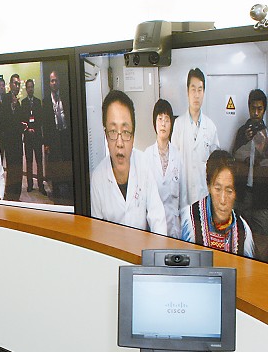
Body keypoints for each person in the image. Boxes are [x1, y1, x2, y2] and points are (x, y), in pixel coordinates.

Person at [90, 90, 167, 234]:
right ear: (106, 136)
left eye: (125, 132)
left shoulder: (144, 164)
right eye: (113, 131)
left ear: (133, 137)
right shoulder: (98, 178)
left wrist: (159, 246)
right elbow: (97, 232)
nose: (119, 143)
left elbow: (158, 219)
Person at [180, 150, 254, 257]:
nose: (223, 200)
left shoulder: (243, 232)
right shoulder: (191, 221)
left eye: (229, 191)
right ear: (209, 187)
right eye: (218, 189)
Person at [171, 68, 220, 208]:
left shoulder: (210, 127)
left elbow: (215, 166)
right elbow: (173, 163)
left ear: (204, 93)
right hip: (183, 197)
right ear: (187, 92)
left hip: (204, 195)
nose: (196, 95)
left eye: (200, 90)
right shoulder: (179, 124)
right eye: (193, 89)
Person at [233, 89, 268, 259]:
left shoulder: (267, 135)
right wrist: (245, 141)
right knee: (241, 240)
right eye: (253, 108)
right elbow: (233, 159)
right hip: (243, 194)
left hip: (262, 197)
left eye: (259, 109)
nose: (255, 113)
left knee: (262, 243)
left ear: (264, 110)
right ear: (248, 108)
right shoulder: (242, 132)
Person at [143, 100, 183, 238]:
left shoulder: (178, 156)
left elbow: (183, 197)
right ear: (154, 122)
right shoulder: (147, 156)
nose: (163, 124)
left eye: (167, 119)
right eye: (160, 119)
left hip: (174, 227)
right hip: (153, 227)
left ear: (171, 124)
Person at [42, 70, 73, 201]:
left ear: (59, 82)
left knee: (66, 161)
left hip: (65, 135)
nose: (54, 83)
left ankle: (70, 190)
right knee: (55, 164)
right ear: (49, 83)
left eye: (56, 80)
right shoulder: (46, 101)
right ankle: (56, 193)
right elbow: (45, 123)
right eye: (52, 81)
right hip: (53, 137)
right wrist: (46, 143)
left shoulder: (65, 96)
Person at [0, 74, 26, 201]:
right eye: (15, 83)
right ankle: (10, 195)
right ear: (10, 85)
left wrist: (23, 125)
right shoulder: (5, 99)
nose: (17, 86)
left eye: (19, 84)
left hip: (18, 141)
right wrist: (12, 107)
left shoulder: (18, 102)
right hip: (9, 142)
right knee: (12, 168)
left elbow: (18, 120)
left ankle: (17, 195)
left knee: (18, 169)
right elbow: (3, 120)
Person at [21, 78, 46, 194]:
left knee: (39, 161)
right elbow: (22, 119)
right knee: (29, 161)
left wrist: (34, 128)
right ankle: (30, 185)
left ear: (33, 88)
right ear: (26, 89)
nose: (30, 89)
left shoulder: (37, 102)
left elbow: (41, 118)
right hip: (28, 136)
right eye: (28, 87)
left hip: (37, 136)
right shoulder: (23, 103)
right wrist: (27, 129)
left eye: (32, 87)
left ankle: (41, 185)